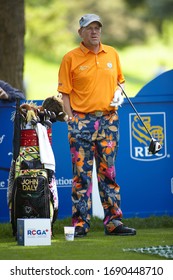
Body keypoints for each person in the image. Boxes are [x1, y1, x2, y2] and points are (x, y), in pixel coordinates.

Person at [58, 14, 136, 237]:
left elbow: (119, 83)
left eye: (97, 28)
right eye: (89, 28)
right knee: (81, 175)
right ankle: (80, 223)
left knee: (108, 173)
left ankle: (113, 223)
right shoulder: (70, 58)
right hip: (81, 120)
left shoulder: (111, 53)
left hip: (109, 121)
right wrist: (72, 119)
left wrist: (118, 95)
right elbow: (64, 94)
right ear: (80, 32)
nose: (94, 32)